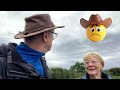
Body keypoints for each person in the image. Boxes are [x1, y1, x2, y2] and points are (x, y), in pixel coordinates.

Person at [0, 14, 64, 79]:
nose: (53, 39)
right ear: (45, 36)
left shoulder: (41, 61)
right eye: (53, 35)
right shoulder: (2, 64)